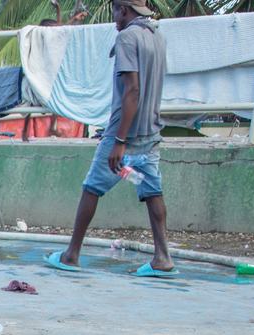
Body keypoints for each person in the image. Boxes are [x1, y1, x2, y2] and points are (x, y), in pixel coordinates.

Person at [46, 0, 174, 276]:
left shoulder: (127, 37)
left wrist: (119, 141)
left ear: (124, 10)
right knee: (153, 191)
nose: (114, 17)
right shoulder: (157, 36)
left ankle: (71, 254)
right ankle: (163, 257)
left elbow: (132, 90)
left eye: (115, 11)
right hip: (151, 132)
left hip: (124, 133)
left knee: (92, 187)